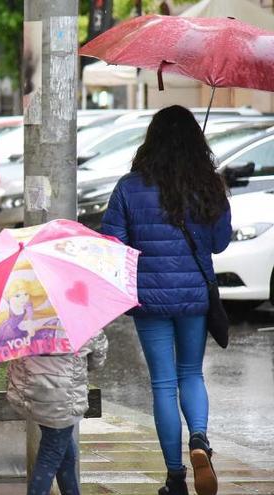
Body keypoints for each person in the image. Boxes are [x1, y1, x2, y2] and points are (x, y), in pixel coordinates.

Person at [102, 105, 231, 495]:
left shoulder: (129, 186)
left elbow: (113, 245)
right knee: (192, 373)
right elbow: (219, 243)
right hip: (193, 295)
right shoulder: (208, 183)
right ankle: (200, 440)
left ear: (151, 140)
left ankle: (175, 478)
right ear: (196, 141)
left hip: (149, 298)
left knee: (162, 384)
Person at [6, 333, 108, 495]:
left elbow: (13, 355)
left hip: (33, 394)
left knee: (64, 452)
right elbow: (97, 359)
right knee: (50, 455)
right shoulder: (81, 321)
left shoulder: (23, 322)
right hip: (65, 399)